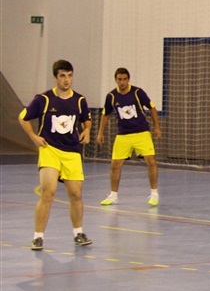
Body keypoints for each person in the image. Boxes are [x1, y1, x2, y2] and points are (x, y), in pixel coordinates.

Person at [18, 59, 93, 251]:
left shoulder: (79, 100)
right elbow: (22, 117)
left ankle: (78, 233)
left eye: (69, 75)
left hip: (72, 152)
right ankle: (38, 236)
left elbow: (86, 121)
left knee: (76, 194)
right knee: (48, 192)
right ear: (55, 77)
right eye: (62, 76)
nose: (67, 80)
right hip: (50, 149)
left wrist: (87, 131)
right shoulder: (43, 99)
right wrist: (33, 136)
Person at [96, 68, 161, 206]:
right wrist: (100, 132)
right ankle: (113, 195)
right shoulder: (111, 97)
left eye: (125, 79)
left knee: (151, 161)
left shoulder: (137, 92)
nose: (122, 82)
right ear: (116, 80)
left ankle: (154, 193)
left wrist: (156, 127)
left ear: (128, 79)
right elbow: (105, 114)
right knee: (115, 165)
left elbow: (152, 107)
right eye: (119, 79)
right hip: (123, 135)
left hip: (141, 132)